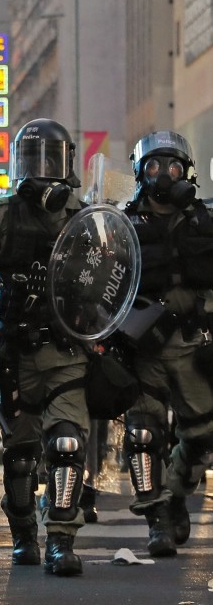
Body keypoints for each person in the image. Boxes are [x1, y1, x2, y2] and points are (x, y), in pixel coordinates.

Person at [0, 118, 91, 577]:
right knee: (20, 453)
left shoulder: (85, 219)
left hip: (68, 353)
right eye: (34, 160)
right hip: (14, 354)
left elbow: (111, 280)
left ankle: (61, 539)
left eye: (52, 159)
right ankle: (24, 534)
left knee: (67, 443)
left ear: (68, 164)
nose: (43, 170)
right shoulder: (2, 217)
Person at [121, 130, 213, 557]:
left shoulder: (205, 222)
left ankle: (176, 494)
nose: (162, 175)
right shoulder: (121, 224)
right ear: (140, 172)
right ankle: (156, 518)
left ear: (186, 172)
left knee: (202, 436)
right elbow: (104, 284)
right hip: (147, 348)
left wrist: (197, 301)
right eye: (153, 166)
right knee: (143, 434)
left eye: (172, 166)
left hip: (194, 344)